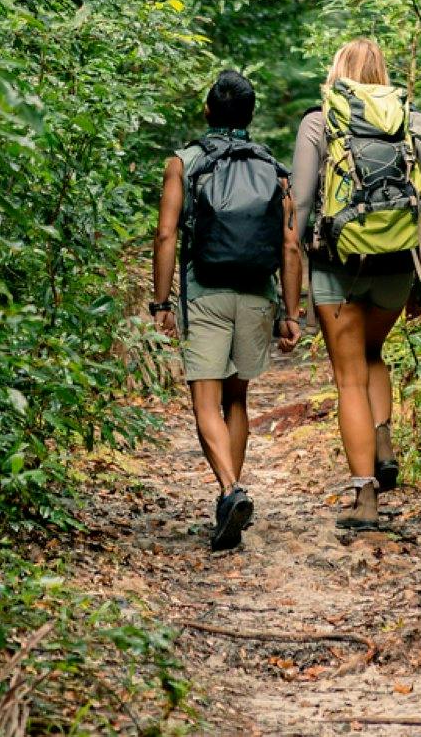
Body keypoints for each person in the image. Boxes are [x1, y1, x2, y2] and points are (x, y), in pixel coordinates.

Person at [291, 38, 421, 530]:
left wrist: (293, 269)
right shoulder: (404, 119)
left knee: (349, 377)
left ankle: (365, 499)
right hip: (398, 263)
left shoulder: (321, 122)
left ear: (338, 70)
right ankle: (383, 438)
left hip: (339, 265)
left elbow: (303, 203)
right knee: (374, 354)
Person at [151, 69, 302, 552]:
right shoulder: (273, 168)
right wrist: (291, 313)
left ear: (208, 111)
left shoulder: (185, 162)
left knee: (204, 403)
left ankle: (229, 490)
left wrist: (161, 302)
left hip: (205, 292)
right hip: (257, 294)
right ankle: (230, 498)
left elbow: (166, 234)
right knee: (237, 401)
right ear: (251, 115)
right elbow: (290, 244)